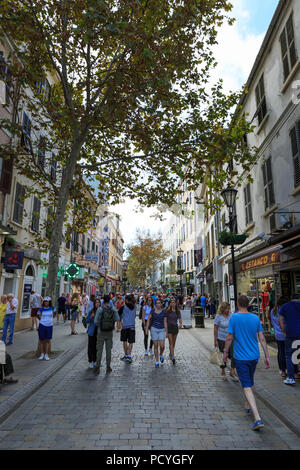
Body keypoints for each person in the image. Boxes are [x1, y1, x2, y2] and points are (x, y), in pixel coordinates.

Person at [223, 295, 270, 431]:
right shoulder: (255, 318)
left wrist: (225, 353)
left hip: (241, 358)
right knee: (250, 380)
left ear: (238, 304)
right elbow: (261, 338)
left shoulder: (235, 318)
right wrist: (267, 356)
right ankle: (248, 405)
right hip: (254, 356)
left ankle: (257, 417)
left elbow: (229, 337)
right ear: (248, 305)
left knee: (246, 385)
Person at [93, 295, 119, 374]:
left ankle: (97, 367)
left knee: (99, 350)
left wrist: (100, 325)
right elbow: (117, 318)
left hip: (101, 331)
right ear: (109, 300)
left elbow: (95, 322)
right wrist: (111, 323)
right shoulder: (113, 309)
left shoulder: (100, 309)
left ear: (103, 301)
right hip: (109, 332)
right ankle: (108, 366)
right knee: (108, 350)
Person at [278, 293, 300, 386]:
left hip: (290, 334)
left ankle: (291, 378)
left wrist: (284, 331)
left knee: (289, 355)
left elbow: (280, 320)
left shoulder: (285, 306)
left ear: (291, 299)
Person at [214, 302, 239, 382]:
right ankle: (223, 371)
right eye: (226, 308)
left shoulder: (231, 316)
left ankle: (232, 371)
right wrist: (215, 340)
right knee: (222, 356)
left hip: (231, 339)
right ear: (222, 309)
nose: (228, 310)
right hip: (221, 339)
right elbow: (215, 329)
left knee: (234, 355)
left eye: (229, 308)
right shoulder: (218, 317)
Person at [145, 298, 167, 368]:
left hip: (162, 329)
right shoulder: (153, 311)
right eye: (156, 303)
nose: (158, 304)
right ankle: (157, 361)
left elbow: (165, 322)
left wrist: (167, 331)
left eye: (159, 303)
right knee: (156, 346)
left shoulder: (164, 312)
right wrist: (146, 328)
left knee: (162, 346)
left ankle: (161, 354)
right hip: (154, 329)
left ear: (161, 304)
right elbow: (148, 319)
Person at [270, 297, 288, 378]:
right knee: (287, 352)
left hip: (277, 335)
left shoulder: (273, 311)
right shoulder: (284, 310)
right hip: (286, 334)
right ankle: (287, 369)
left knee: (280, 352)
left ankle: (282, 369)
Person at [119, 295, 136, 364]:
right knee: (131, 341)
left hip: (125, 326)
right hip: (132, 326)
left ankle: (126, 355)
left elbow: (118, 314)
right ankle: (129, 356)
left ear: (126, 300)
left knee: (124, 341)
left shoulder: (123, 307)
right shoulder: (134, 307)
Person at [166, 299, 182, 364]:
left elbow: (180, 319)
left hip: (175, 327)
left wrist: (181, 324)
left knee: (174, 343)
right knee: (171, 343)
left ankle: (171, 353)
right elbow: (165, 320)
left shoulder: (177, 311)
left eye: (174, 302)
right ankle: (173, 356)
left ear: (175, 304)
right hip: (169, 327)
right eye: (172, 302)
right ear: (170, 304)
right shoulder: (168, 311)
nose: (173, 303)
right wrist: (165, 330)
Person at [86, 298, 100, 369]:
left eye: (98, 302)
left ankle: (95, 360)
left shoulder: (101, 311)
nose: (97, 304)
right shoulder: (91, 311)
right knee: (90, 347)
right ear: (94, 304)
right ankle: (90, 361)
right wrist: (91, 317)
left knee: (96, 347)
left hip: (99, 332)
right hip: (92, 331)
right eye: (96, 302)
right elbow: (87, 320)